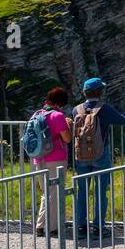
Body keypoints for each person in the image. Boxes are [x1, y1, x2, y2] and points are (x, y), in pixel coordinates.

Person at [71, 77, 125, 239]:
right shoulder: (104, 109)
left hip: (80, 156)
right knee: (100, 191)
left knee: (81, 191)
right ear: (100, 92)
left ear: (84, 92)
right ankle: (98, 227)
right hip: (100, 154)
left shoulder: (77, 110)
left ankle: (81, 227)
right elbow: (122, 120)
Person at [32, 87, 73, 237]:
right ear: (61, 103)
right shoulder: (57, 116)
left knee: (46, 192)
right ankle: (53, 227)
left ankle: (40, 225)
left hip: (39, 157)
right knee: (55, 192)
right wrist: (67, 124)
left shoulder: (37, 114)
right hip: (56, 158)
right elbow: (67, 138)